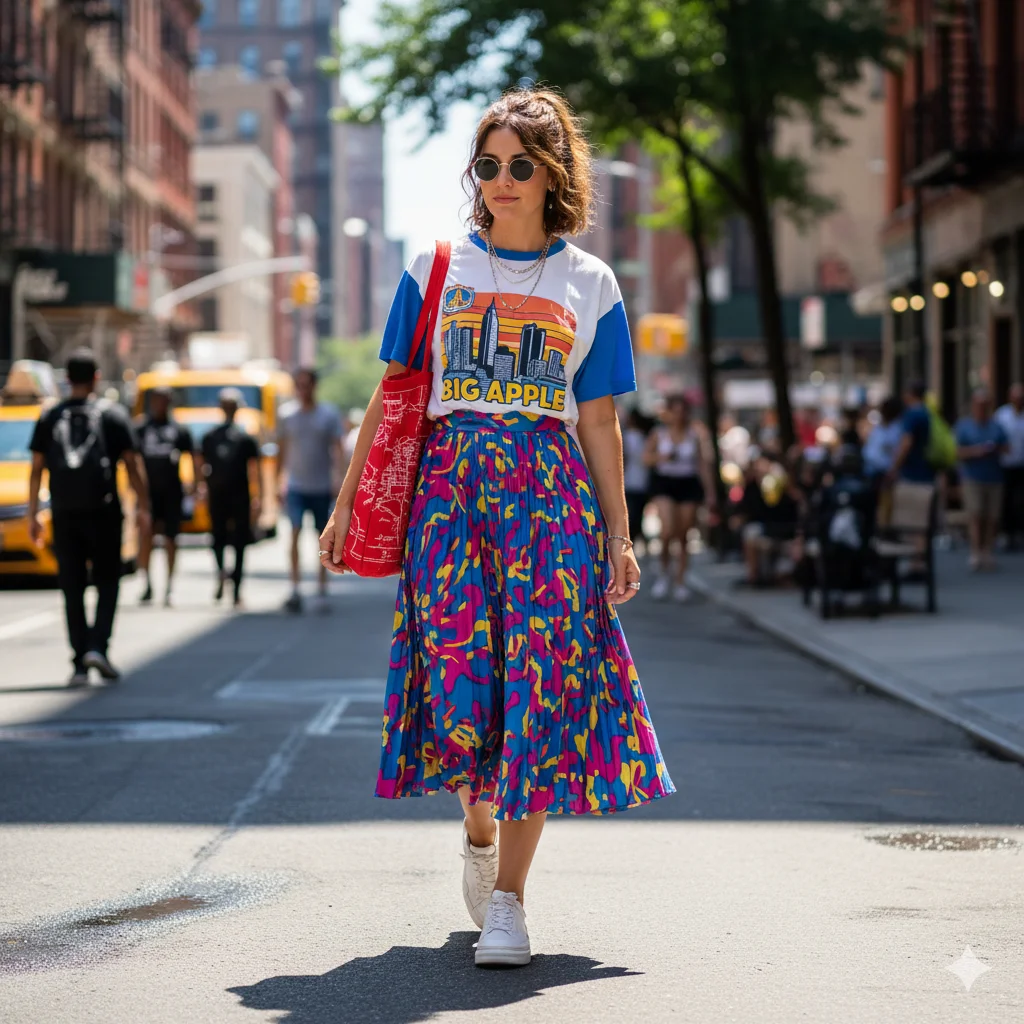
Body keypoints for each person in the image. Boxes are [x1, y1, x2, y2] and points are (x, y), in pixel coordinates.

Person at [317, 88, 674, 968]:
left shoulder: (590, 282)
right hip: (450, 495)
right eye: (488, 164)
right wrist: (347, 500)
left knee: (540, 689)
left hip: (550, 499)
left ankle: (510, 899)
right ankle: (479, 827)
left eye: (521, 165)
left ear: (554, 174)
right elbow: (392, 389)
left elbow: (598, 420)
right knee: (460, 679)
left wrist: (620, 532)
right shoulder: (435, 266)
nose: (503, 180)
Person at [26, 349, 150, 685]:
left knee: (72, 585)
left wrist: (33, 513)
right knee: (108, 581)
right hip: (105, 512)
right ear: (96, 377)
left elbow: (37, 467)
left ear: (67, 379)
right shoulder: (113, 414)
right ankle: (99, 646)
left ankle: (80, 661)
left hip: (65, 512)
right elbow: (132, 463)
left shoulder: (50, 416)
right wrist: (143, 506)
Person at [276, 368, 344, 613]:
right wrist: (278, 481)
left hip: (321, 485)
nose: (303, 390)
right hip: (295, 486)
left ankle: (322, 588)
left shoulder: (328, 415)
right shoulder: (286, 415)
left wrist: (340, 479)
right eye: (299, 385)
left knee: (322, 539)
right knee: (293, 533)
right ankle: (294, 588)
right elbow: (281, 451)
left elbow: (338, 450)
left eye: (307, 385)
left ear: (314, 386)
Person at [644, 394, 716, 602]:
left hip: (688, 483)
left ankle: (680, 581)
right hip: (665, 483)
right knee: (667, 530)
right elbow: (645, 458)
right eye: (675, 411)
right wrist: (661, 457)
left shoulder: (695, 434)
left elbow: (703, 465)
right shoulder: (659, 433)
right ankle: (664, 573)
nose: (679, 415)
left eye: (683, 411)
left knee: (684, 534)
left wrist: (710, 493)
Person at [135, 385, 198, 606]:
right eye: (156, 400)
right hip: (147, 493)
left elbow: (194, 456)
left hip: (172, 492)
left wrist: (196, 485)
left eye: (164, 400)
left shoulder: (178, 429)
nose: (160, 405)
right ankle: (147, 583)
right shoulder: (142, 428)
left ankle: (170, 586)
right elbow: (132, 459)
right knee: (146, 537)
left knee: (172, 538)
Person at [201, 388, 263, 607]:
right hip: (218, 496)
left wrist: (259, 498)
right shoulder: (210, 437)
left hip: (240, 496)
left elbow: (256, 470)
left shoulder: (245, 438)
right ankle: (221, 573)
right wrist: (202, 490)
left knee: (239, 543)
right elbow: (202, 466)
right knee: (217, 539)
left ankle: (236, 588)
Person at [955, 387, 1008, 571]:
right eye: (979, 405)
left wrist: (995, 449)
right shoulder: (964, 426)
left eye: (985, 405)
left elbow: (1007, 447)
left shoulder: (996, 426)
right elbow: (956, 452)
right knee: (976, 514)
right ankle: (976, 552)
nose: (982, 408)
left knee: (992, 517)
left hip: (994, 476)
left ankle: (987, 550)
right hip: (972, 476)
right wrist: (975, 451)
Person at [995, 383, 1024, 550]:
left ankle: (1019, 532)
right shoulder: (1002, 415)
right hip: (1006, 464)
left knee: (1021, 500)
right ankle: (1007, 533)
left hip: (1022, 464)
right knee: (1006, 500)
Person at [889, 380, 934, 484]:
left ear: (910, 394)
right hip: (927, 472)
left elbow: (906, 443)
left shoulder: (912, 414)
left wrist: (894, 467)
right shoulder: (927, 412)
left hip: (912, 475)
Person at [620, 407, 651, 552]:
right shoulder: (636, 436)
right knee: (634, 514)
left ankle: (635, 540)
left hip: (635, 481)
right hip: (633, 481)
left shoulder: (642, 436)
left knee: (635, 514)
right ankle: (636, 540)